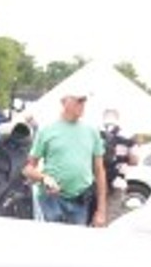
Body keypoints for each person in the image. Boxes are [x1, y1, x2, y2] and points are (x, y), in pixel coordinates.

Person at [24, 85, 106, 226]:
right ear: (64, 102)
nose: (82, 104)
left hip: (80, 202)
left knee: (75, 240)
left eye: (84, 101)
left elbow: (99, 171)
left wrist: (101, 211)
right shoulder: (46, 130)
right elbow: (28, 169)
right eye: (78, 100)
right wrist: (44, 178)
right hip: (51, 201)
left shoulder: (92, 132)